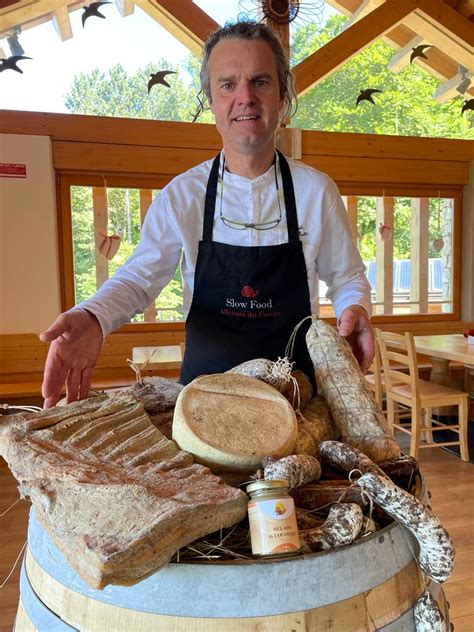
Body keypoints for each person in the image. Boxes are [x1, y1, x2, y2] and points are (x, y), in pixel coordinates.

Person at [40, 20, 374, 409]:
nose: (245, 97)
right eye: (228, 84)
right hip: (203, 404)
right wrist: (94, 316)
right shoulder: (182, 195)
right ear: (210, 101)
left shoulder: (317, 191)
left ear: (282, 97)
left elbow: (347, 276)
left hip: (296, 401)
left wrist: (355, 308)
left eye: (261, 81)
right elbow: (138, 280)